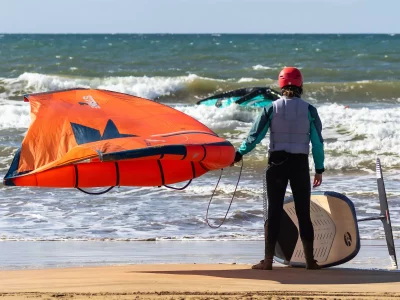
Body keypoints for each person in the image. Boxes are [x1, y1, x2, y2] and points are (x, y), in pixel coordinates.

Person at [232, 67, 324, 270]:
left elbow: (254, 135)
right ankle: (310, 261)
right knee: (303, 213)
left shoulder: (271, 108)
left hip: (277, 164)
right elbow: (317, 143)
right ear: (300, 84)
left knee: (274, 212)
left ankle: (268, 261)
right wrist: (319, 168)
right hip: (299, 165)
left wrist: (239, 153)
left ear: (281, 85)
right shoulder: (309, 110)